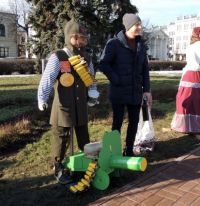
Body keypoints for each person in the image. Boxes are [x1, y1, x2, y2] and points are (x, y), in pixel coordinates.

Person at [37, 19, 98, 184]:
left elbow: (91, 78)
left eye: (84, 38)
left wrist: (93, 92)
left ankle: (86, 163)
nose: (82, 41)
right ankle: (58, 167)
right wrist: (42, 97)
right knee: (61, 137)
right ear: (70, 37)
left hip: (81, 105)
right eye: (78, 37)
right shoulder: (59, 56)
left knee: (84, 136)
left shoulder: (87, 57)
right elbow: (48, 78)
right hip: (63, 106)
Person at [98, 13, 152, 156]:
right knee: (117, 123)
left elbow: (145, 69)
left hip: (136, 91)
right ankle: (115, 152)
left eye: (140, 24)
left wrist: (147, 90)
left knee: (134, 122)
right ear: (128, 26)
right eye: (137, 25)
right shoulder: (114, 44)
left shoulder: (141, 46)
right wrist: (117, 80)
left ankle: (128, 151)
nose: (140, 27)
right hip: (119, 92)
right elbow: (103, 64)